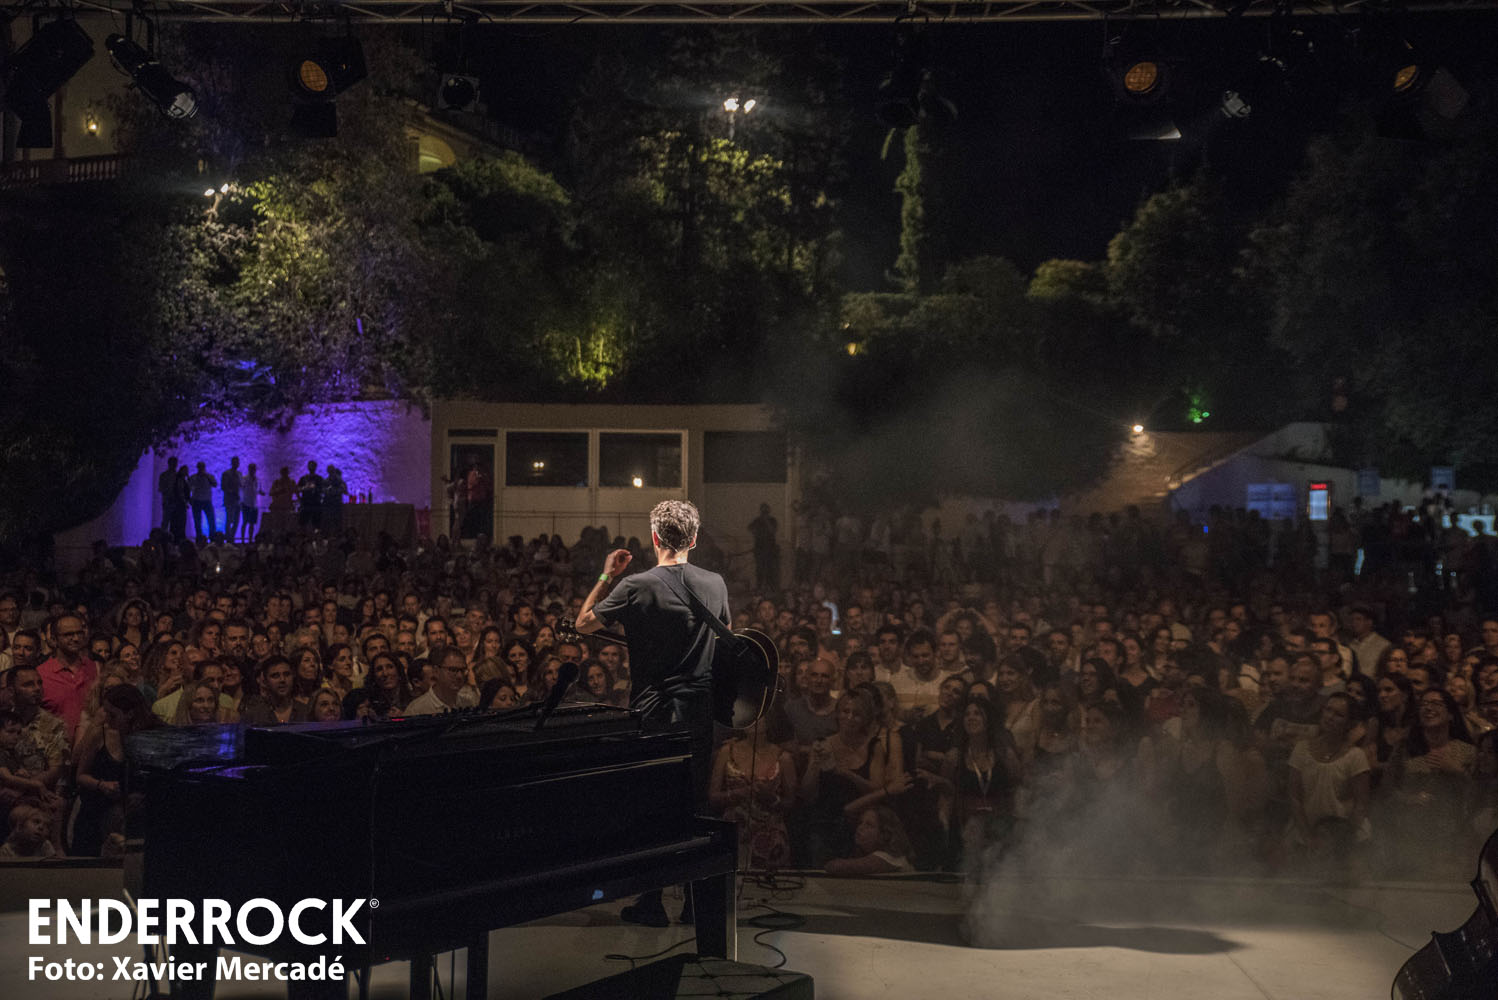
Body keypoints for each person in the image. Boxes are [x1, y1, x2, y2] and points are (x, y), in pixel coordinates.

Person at [574, 499, 728, 928]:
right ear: (693, 540)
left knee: (652, 804)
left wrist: (606, 575)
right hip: (698, 710)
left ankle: (652, 900)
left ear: (655, 537)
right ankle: (696, 902)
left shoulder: (636, 585)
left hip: (653, 711)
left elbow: (583, 623)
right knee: (694, 803)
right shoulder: (715, 584)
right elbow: (725, 642)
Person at [187, 462, 217, 540]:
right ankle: (199, 538)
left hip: (207, 501)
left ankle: (212, 537)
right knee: (198, 521)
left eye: (202, 467)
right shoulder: (193, 477)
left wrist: (207, 476)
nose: (201, 469)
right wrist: (189, 499)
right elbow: (188, 488)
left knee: (211, 520)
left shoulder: (209, 476)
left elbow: (215, 484)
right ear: (198, 468)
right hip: (197, 501)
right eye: (200, 467)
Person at [239, 462, 262, 544]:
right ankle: (242, 540)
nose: (253, 470)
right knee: (245, 522)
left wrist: (261, 492)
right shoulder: (244, 479)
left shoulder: (258, 480)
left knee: (252, 523)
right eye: (251, 468)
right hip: (246, 503)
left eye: (254, 469)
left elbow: (258, 490)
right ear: (249, 469)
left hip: (254, 504)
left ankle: (250, 540)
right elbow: (241, 488)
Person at [221, 457, 242, 544]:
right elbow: (224, 487)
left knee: (236, 521)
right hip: (230, 501)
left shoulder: (239, 474)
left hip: (238, 501)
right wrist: (233, 493)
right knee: (229, 520)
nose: (237, 464)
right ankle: (228, 538)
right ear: (232, 463)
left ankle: (231, 537)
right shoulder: (226, 474)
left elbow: (241, 485)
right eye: (235, 462)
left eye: (237, 462)